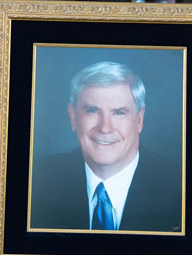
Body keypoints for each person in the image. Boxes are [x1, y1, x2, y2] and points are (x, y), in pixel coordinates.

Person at [28, 61, 182, 233]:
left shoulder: (181, 189)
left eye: (119, 112)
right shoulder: (36, 179)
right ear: (73, 116)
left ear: (139, 119)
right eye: (92, 111)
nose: (105, 128)